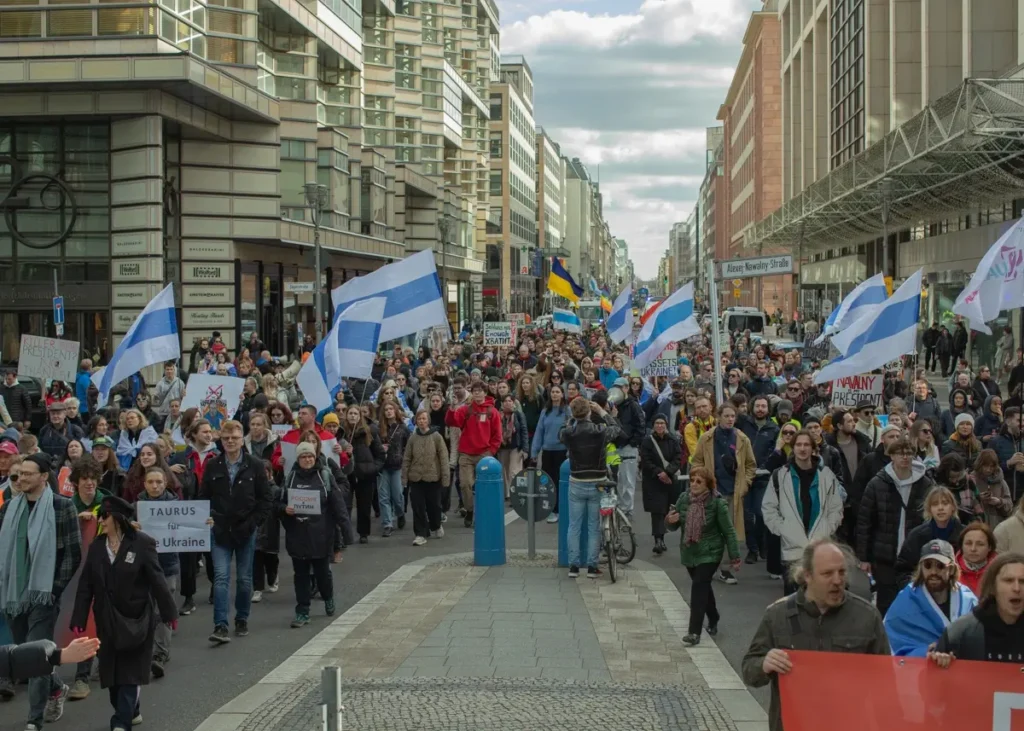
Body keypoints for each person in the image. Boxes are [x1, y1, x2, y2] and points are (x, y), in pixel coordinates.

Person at [742, 539, 890, 731]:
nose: (837, 581)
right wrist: (764, 664)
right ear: (808, 576)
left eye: (842, 572)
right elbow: (749, 670)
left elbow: (886, 681)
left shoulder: (867, 616)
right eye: (827, 573)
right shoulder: (777, 615)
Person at [70, 495, 177, 731]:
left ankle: (121, 723)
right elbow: (86, 585)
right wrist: (78, 618)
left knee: (129, 674)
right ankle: (130, 710)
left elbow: (158, 581)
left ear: (117, 518)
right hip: (107, 621)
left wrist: (170, 614)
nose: (101, 520)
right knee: (112, 677)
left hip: (137, 620)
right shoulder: (97, 547)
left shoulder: (142, 543)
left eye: (105, 516)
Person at [0, 453, 81, 729]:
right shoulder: (8, 508)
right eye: (19, 474)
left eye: (27, 474)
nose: (21, 478)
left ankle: (34, 720)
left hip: (44, 595)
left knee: (35, 652)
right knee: (26, 656)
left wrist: (54, 591)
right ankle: (56, 688)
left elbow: (72, 554)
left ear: (43, 477)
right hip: (13, 595)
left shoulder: (62, 507)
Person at [199, 420, 272, 644]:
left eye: (235, 438)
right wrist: (208, 517)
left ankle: (242, 617)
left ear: (242, 439)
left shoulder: (255, 465)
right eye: (226, 438)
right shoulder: (212, 466)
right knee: (221, 577)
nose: (230, 442)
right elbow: (204, 497)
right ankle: (220, 625)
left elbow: (265, 499)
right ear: (220, 440)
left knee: (244, 579)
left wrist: (253, 523)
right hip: (220, 530)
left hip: (245, 529)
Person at [856, 436, 934, 616]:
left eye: (908, 453)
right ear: (891, 456)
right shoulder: (877, 483)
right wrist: (864, 557)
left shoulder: (925, 483)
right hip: (884, 555)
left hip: (914, 555)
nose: (905, 457)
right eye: (900, 453)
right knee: (886, 604)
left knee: (914, 603)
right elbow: (865, 521)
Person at [761, 430, 844, 595]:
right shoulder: (780, 475)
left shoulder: (826, 475)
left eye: (806, 444)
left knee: (819, 598)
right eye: (798, 444)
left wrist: (829, 527)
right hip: (792, 549)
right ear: (793, 448)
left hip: (820, 546)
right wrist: (783, 529)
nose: (802, 448)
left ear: (813, 448)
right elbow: (769, 507)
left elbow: (836, 507)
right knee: (793, 602)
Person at [665, 466, 740, 646]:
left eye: (699, 481)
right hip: (690, 550)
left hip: (711, 551)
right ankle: (713, 616)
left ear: (708, 484)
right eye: (692, 480)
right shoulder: (684, 499)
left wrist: (735, 556)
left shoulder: (716, 503)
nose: (694, 484)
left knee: (699, 586)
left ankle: (694, 632)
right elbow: (673, 526)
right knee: (703, 587)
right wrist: (670, 520)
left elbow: (729, 531)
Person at [279, 442, 347, 628]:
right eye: (303, 456)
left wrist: (345, 532)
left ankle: (328, 597)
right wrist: (285, 509)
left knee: (322, 573)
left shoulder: (324, 476)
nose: (307, 459)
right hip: (297, 535)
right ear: (298, 459)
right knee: (300, 575)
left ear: (315, 457)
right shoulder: (290, 477)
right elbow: (278, 503)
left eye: (310, 456)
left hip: (321, 535)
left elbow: (337, 504)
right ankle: (302, 611)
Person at [689, 403, 756, 585]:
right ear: (718, 417)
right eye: (726, 416)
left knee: (729, 531)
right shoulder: (707, 438)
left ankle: (725, 569)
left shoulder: (742, 439)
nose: (730, 419)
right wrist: (702, 483)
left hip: (734, 492)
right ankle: (707, 565)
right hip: (712, 492)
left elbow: (751, 465)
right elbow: (696, 463)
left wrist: (746, 484)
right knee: (709, 530)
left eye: (733, 416)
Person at [883, 539, 978, 657]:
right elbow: (891, 643)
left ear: (952, 569)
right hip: (921, 672)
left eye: (940, 566)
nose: (933, 571)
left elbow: (980, 639)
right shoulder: (905, 600)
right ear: (921, 568)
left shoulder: (968, 599)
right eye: (927, 565)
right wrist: (927, 652)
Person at [560, 397, 621, 579]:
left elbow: (561, 432)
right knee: (594, 526)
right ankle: (592, 566)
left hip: (577, 480)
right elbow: (616, 429)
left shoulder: (569, 432)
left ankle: (574, 566)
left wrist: (571, 419)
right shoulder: (600, 431)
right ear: (589, 412)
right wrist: (603, 413)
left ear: (573, 413)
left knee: (574, 525)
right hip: (598, 480)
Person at [930, 552, 1024, 663]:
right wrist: (939, 660)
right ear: (993, 587)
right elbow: (933, 675)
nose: (1017, 588)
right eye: (1008, 580)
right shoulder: (960, 633)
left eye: (1022, 581)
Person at [134, 467, 181, 678]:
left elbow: (191, 529)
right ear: (144, 484)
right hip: (141, 568)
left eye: (159, 482)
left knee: (164, 611)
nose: (155, 486)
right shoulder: (135, 507)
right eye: (150, 482)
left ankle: (160, 654)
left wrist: (203, 524)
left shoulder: (177, 506)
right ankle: (143, 651)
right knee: (143, 611)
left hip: (167, 565)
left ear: (165, 484)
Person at [445, 381, 502, 529]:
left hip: (484, 454)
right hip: (466, 454)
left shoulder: (492, 411)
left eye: (479, 391)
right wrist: (452, 408)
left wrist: (491, 452)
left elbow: (497, 435)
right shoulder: (466, 409)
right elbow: (451, 421)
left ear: (484, 392)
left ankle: (482, 513)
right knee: (465, 484)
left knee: (483, 487)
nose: (477, 393)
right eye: (474, 391)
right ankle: (469, 510)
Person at [401, 409, 450, 546]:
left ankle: (436, 525)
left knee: (434, 505)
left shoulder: (436, 437)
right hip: (416, 478)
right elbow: (407, 458)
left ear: (428, 420)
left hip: (433, 478)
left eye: (424, 418)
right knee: (417, 506)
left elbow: (443, 457)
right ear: (416, 421)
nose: (421, 421)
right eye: (419, 419)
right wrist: (404, 477)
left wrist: (445, 477)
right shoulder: (413, 437)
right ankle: (420, 533)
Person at [639, 414, 682, 555]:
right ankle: (658, 540)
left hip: (669, 481)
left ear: (666, 424)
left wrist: (668, 472)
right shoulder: (647, 441)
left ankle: (662, 537)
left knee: (666, 510)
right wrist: (659, 473)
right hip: (653, 481)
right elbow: (646, 460)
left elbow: (678, 458)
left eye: (662, 423)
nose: (659, 426)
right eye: (657, 423)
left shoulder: (673, 440)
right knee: (656, 511)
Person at [530, 384, 568, 524]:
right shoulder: (545, 412)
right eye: (553, 392)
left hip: (563, 452)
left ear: (562, 394)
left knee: (560, 481)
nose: (555, 394)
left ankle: (559, 509)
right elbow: (539, 432)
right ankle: (551, 509)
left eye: (558, 392)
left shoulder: (567, 411)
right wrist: (534, 451)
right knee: (547, 482)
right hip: (547, 452)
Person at [376, 402, 410, 538]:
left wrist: (405, 460)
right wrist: (380, 449)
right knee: (383, 497)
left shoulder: (403, 428)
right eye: (386, 409)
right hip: (382, 465)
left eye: (391, 409)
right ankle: (387, 524)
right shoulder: (379, 428)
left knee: (397, 496)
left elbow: (408, 446)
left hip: (397, 465)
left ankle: (400, 513)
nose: (389, 411)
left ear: (396, 411)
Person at [495, 394, 527, 501]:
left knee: (514, 472)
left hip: (515, 446)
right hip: (502, 447)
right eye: (505, 401)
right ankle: (506, 494)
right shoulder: (498, 415)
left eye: (510, 401)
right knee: (503, 472)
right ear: (502, 403)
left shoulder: (518, 415)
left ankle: (516, 494)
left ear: (513, 403)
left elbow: (524, 431)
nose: (507, 403)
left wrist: (525, 449)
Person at [971, 448, 1013, 528]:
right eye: (985, 466)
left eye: (991, 466)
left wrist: (999, 502)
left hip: (997, 527)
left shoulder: (1001, 482)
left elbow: (1009, 507)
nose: (988, 469)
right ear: (980, 464)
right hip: (977, 525)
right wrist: (978, 499)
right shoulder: (971, 480)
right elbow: (965, 506)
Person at [956, 521, 997, 596]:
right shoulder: (951, 572)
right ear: (961, 545)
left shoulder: (998, 572)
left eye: (980, 544)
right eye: (968, 543)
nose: (973, 549)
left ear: (989, 547)